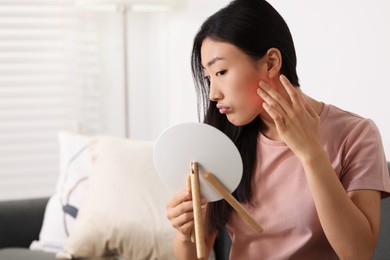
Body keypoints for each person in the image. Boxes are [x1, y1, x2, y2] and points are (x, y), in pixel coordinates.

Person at [165, 0, 390, 259]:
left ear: (271, 62)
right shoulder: (224, 139)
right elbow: (197, 254)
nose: (213, 94)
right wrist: (184, 234)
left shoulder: (356, 135)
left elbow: (358, 253)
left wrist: (311, 154)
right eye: (208, 78)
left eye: (221, 71)